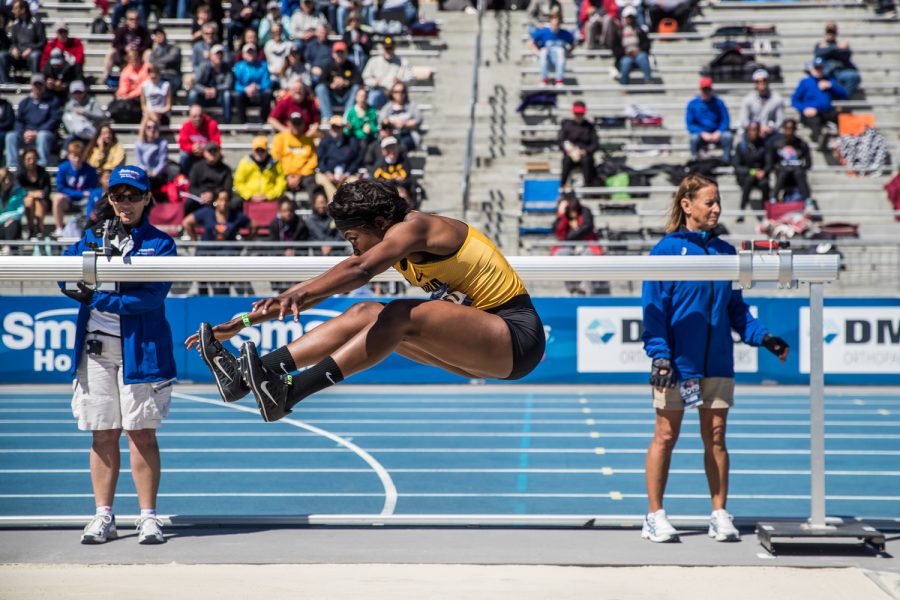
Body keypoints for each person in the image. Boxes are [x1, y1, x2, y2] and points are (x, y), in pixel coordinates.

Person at [186, 179, 546, 424]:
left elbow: (358, 270)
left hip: (515, 337)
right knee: (364, 312)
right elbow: (333, 282)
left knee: (399, 313)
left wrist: (297, 292)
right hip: (479, 346)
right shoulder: (397, 238)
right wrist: (247, 322)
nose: (352, 245)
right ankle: (249, 380)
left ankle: (290, 392)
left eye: (352, 236)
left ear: (379, 222)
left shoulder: (419, 228)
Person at [640, 173, 789, 543]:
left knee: (717, 437)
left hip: (718, 362)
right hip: (677, 364)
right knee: (666, 435)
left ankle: (719, 513)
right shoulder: (666, 251)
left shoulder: (726, 252)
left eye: (718, 201)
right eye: (709, 202)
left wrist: (763, 337)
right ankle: (654, 515)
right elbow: (653, 310)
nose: (716, 208)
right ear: (687, 205)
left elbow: (736, 309)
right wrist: (660, 356)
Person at [60, 165, 176, 545]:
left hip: (141, 350)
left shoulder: (160, 243)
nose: (125, 202)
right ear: (109, 198)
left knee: (140, 432)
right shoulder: (92, 236)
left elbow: (151, 297)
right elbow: (63, 270)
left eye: (133, 194)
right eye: (118, 195)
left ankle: (148, 517)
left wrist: (97, 296)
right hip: (94, 349)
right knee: (103, 432)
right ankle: (103, 515)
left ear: (147, 198)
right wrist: (74, 283)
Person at [182, 188, 253, 296]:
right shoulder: (207, 212)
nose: (223, 203)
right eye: (220, 199)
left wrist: (247, 240)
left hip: (226, 259)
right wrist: (195, 241)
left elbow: (254, 226)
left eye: (226, 200)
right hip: (205, 256)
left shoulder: (236, 215)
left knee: (222, 291)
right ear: (215, 201)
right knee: (203, 290)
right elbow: (186, 222)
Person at [552, 194, 606, 295]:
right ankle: (574, 289)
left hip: (587, 243)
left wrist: (568, 237)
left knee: (588, 256)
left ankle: (588, 290)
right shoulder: (562, 215)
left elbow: (587, 228)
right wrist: (562, 214)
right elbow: (559, 232)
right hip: (567, 246)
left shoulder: (585, 211)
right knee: (562, 255)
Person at [4, 74, 61, 170]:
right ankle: (12, 165)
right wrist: (24, 133)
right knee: (11, 136)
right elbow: (18, 121)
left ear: (44, 86)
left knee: (43, 135)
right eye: (35, 85)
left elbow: (54, 120)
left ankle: (41, 165)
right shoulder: (25, 102)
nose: (37, 87)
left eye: (40, 85)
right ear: (32, 86)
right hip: (26, 135)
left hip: (44, 134)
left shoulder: (52, 101)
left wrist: (37, 132)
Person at [791, 56, 848, 146]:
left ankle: (845, 139)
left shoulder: (829, 81)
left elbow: (844, 95)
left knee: (842, 116)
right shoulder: (805, 82)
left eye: (820, 68)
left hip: (825, 112)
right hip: (810, 113)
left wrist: (831, 85)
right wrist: (804, 109)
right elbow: (794, 100)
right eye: (817, 67)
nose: (819, 70)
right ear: (812, 68)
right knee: (815, 121)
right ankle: (819, 139)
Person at [52, 139, 101, 237]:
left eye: (79, 156)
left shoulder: (90, 169)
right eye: (74, 156)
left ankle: (91, 229)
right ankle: (59, 228)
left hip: (85, 200)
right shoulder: (63, 168)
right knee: (57, 198)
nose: (77, 159)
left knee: (95, 199)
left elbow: (93, 188)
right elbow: (61, 188)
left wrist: (85, 194)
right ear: (69, 155)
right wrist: (80, 193)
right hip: (69, 199)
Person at [271, 112, 319, 199]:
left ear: (303, 124)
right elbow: (275, 159)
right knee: (274, 182)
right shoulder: (279, 138)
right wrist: (287, 175)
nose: (296, 126)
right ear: (288, 124)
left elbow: (313, 160)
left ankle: (316, 211)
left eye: (299, 124)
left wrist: (300, 176)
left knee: (313, 186)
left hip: (304, 175)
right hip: (284, 174)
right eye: (294, 124)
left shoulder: (308, 140)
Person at [685, 77, 733, 163]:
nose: (706, 92)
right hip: (701, 134)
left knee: (728, 136)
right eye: (704, 90)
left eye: (708, 89)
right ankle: (694, 161)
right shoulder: (693, 104)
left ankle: (726, 161)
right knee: (694, 138)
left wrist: (718, 132)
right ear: (700, 90)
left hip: (717, 133)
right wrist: (702, 133)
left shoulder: (719, 103)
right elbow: (690, 124)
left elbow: (726, 121)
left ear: (711, 90)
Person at [766, 119, 812, 203]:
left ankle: (807, 200)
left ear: (795, 130)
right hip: (782, 175)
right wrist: (780, 167)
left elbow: (808, 164)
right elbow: (771, 163)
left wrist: (799, 167)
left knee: (799, 172)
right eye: (787, 129)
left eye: (791, 129)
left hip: (797, 176)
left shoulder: (802, 144)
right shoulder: (776, 144)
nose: (789, 132)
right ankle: (774, 197)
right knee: (785, 171)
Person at [315, 115, 361, 199]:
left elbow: (356, 160)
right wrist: (327, 173)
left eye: (338, 127)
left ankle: (349, 207)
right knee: (322, 180)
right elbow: (320, 160)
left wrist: (346, 174)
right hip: (328, 174)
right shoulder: (324, 141)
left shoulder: (351, 141)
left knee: (355, 181)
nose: (336, 130)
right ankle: (333, 203)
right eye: (334, 127)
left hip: (346, 175)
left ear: (343, 128)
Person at [362, 37, 414, 109]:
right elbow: (365, 78)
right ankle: (371, 117)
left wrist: (401, 81)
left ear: (394, 48)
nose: (388, 51)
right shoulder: (374, 61)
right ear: (382, 49)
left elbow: (411, 78)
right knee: (373, 96)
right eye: (386, 48)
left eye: (390, 48)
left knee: (403, 98)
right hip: (379, 91)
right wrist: (374, 82)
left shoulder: (403, 62)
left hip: (396, 93)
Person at [314, 41, 362, 120]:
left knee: (356, 88)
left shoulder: (351, 66)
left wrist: (346, 83)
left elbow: (359, 81)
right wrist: (331, 84)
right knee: (320, 88)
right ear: (333, 54)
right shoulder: (328, 65)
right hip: (333, 97)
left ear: (346, 53)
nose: (339, 55)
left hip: (347, 98)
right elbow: (320, 81)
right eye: (337, 52)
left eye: (342, 52)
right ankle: (327, 117)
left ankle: (347, 117)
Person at [732, 122, 769, 222]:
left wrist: (764, 172)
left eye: (756, 130)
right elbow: (737, 166)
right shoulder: (742, 146)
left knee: (765, 184)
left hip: (761, 176)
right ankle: (742, 210)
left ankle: (766, 211)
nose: (754, 133)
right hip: (746, 176)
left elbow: (769, 163)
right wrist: (752, 172)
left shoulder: (764, 145)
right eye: (751, 130)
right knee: (749, 180)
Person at [0, 0, 45, 83]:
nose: (13, 11)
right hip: (18, 54)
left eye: (16, 8)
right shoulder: (15, 25)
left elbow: (42, 42)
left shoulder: (37, 23)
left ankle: (36, 82)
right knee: (2, 55)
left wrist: (31, 49)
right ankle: (6, 84)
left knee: (35, 55)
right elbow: (13, 42)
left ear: (23, 10)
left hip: (31, 53)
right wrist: (14, 49)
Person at [102, 9, 151, 84]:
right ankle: (105, 77)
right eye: (131, 19)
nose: (134, 21)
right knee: (111, 51)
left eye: (136, 19)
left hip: (139, 58)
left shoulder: (144, 31)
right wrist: (125, 48)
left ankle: (146, 77)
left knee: (148, 53)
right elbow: (115, 44)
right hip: (124, 57)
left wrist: (137, 49)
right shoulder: (120, 31)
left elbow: (148, 45)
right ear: (127, 20)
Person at [814, 22, 861, 98]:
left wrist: (829, 48)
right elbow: (819, 53)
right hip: (825, 73)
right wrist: (836, 47)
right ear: (824, 33)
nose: (830, 34)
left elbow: (846, 56)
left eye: (832, 32)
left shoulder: (828, 46)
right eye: (828, 32)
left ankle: (843, 98)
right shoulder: (819, 45)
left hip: (840, 72)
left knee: (854, 76)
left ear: (836, 33)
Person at [190, 45, 235, 124]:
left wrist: (215, 90)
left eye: (220, 54)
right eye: (216, 54)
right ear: (210, 56)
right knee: (193, 94)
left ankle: (227, 123)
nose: (219, 56)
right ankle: (193, 121)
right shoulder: (203, 66)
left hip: (219, 97)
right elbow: (196, 84)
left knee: (227, 95)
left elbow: (228, 84)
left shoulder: (227, 68)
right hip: (204, 96)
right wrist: (205, 90)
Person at [234, 135, 287, 202]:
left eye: (262, 150)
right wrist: (250, 196)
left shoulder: (275, 164)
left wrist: (269, 196)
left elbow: (281, 182)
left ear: (267, 150)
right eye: (257, 150)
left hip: (271, 200)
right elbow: (238, 182)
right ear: (253, 150)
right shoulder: (245, 163)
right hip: (248, 199)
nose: (259, 153)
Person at [558, 101, 598, 189]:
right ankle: (562, 185)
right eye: (577, 113)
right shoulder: (567, 125)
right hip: (570, 155)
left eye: (580, 113)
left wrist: (585, 151)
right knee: (566, 160)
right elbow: (561, 141)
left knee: (587, 161)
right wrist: (568, 150)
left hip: (585, 155)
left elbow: (595, 144)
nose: (578, 115)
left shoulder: (589, 127)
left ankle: (588, 186)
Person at [529, 12, 574, 87]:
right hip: (547, 60)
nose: (556, 22)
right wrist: (537, 52)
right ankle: (544, 79)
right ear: (550, 21)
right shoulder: (544, 32)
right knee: (543, 51)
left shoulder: (565, 33)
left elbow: (573, 43)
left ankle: (559, 80)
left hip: (559, 60)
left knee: (560, 50)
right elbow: (532, 42)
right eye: (554, 20)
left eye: (558, 20)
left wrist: (568, 52)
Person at [737, 69, 784, 141]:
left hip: (770, 132)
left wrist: (770, 128)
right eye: (757, 81)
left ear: (768, 81)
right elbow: (744, 120)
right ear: (754, 83)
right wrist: (755, 129)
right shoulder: (747, 99)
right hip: (752, 132)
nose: (761, 83)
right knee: (743, 144)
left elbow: (779, 121)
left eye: (764, 80)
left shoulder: (777, 99)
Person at [610, 6, 652, 85]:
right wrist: (624, 52)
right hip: (625, 55)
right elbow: (615, 48)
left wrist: (639, 50)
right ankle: (624, 85)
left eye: (631, 17)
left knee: (643, 57)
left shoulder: (640, 30)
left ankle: (648, 80)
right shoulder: (619, 31)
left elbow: (647, 44)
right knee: (626, 62)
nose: (629, 19)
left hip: (639, 53)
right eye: (628, 17)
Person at [187, 141, 233, 214]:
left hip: (218, 198)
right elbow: (191, 187)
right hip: (200, 197)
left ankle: (228, 224)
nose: (213, 153)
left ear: (219, 152)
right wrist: (201, 195)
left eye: (215, 151)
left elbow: (227, 188)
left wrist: (213, 194)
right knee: (188, 203)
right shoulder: (197, 167)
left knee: (234, 203)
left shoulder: (226, 169)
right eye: (210, 151)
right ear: (204, 153)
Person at [233, 43, 274, 123]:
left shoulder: (263, 65)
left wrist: (257, 87)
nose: (250, 54)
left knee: (268, 93)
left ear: (256, 53)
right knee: (238, 95)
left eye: (252, 52)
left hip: (259, 94)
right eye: (248, 52)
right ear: (243, 55)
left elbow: (267, 83)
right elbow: (236, 84)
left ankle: (263, 120)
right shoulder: (238, 66)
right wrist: (245, 89)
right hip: (245, 95)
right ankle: (242, 122)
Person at [178, 104, 222, 175]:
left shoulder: (211, 125)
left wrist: (205, 150)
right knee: (183, 156)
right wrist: (192, 148)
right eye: (194, 116)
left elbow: (217, 143)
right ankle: (186, 179)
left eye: (200, 116)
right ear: (190, 116)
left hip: (208, 154)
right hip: (192, 154)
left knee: (217, 154)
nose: (198, 118)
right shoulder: (186, 126)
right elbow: (182, 144)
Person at [378, 81, 421, 152]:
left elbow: (418, 120)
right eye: (396, 92)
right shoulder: (387, 107)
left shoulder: (411, 105)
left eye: (402, 92)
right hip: (391, 134)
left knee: (400, 147)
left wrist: (404, 124)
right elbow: (381, 121)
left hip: (407, 135)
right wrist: (392, 123)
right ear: (392, 93)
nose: (400, 94)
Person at [16, 148, 50, 238]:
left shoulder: (43, 172)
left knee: (39, 202)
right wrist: (32, 193)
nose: (31, 161)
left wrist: (40, 194)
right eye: (28, 159)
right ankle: (31, 228)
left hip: (42, 200)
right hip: (26, 199)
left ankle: (39, 229)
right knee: (29, 200)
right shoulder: (20, 174)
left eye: (34, 158)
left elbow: (47, 189)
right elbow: (18, 190)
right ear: (23, 160)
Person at [63, 81, 108, 147]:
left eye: (80, 92)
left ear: (84, 92)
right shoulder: (69, 105)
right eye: (75, 93)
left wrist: (86, 113)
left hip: (91, 131)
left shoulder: (92, 102)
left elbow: (101, 117)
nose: (77, 95)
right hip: (76, 133)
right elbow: (66, 118)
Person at [303, 186, 343, 254]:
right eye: (319, 203)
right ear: (314, 204)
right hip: (317, 253)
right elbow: (312, 237)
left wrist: (331, 245)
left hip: (335, 251)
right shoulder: (310, 220)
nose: (321, 206)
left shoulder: (333, 218)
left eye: (323, 202)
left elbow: (339, 235)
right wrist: (321, 246)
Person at [134, 120, 170, 193]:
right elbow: (139, 163)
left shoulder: (163, 143)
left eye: (154, 127)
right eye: (149, 127)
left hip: (159, 175)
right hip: (145, 173)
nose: (152, 129)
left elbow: (163, 162)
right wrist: (147, 172)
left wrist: (155, 172)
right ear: (145, 129)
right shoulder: (138, 144)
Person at [149, 27, 183, 93]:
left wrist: (157, 61)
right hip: (159, 76)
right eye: (157, 35)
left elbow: (172, 58)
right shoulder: (154, 51)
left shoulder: (174, 48)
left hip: (172, 76)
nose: (159, 36)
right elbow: (151, 61)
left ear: (165, 35)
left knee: (168, 87)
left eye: (161, 34)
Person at [0, 167, 25, 247]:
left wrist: (6, 219)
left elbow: (20, 212)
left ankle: (8, 248)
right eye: (4, 179)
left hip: (12, 225)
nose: (7, 182)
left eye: (9, 179)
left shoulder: (18, 192)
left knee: (12, 223)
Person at [263, 21, 292, 88]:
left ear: (282, 32)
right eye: (274, 32)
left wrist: (283, 70)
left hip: (286, 74)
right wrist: (276, 71)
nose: (277, 34)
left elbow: (290, 61)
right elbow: (269, 62)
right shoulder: (268, 45)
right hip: (273, 75)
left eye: (278, 31)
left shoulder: (288, 45)